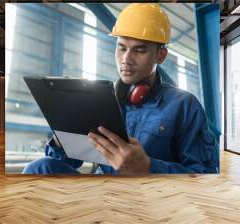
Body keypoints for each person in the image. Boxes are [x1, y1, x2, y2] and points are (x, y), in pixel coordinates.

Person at [22, 3, 219, 174]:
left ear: (161, 56)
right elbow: (67, 161)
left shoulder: (184, 105)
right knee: (40, 168)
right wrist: (62, 138)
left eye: (139, 50)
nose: (126, 59)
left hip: (152, 201)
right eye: (121, 47)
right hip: (103, 194)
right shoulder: (102, 101)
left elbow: (204, 175)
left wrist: (148, 168)